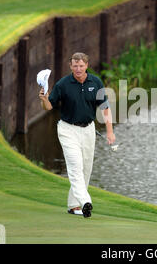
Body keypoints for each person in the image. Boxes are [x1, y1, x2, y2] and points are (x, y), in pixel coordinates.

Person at [39, 52, 115, 218]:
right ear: (70, 66)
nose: (78, 69)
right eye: (75, 66)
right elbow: (49, 107)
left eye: (81, 66)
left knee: (86, 168)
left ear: (86, 65)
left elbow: (105, 107)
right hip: (68, 130)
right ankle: (85, 201)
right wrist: (44, 99)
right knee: (75, 166)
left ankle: (74, 206)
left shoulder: (96, 82)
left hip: (88, 130)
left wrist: (109, 131)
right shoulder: (63, 84)